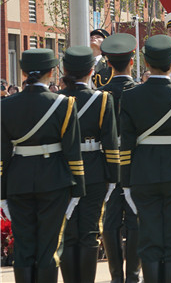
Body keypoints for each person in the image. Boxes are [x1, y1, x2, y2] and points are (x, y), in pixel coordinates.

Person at [118, 35, 171, 282]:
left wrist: (126, 183)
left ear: (146, 63)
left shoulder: (130, 96)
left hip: (143, 175)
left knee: (149, 240)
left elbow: (127, 146)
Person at [0, 48, 86, 283]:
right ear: (51, 71)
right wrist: (78, 190)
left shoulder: (5, 105)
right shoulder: (65, 104)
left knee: (24, 248)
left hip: (19, 179)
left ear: (23, 71)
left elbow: (2, 154)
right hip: (54, 180)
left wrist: (2, 193)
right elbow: (73, 152)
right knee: (49, 247)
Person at [57, 46, 119, 283]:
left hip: (62, 170)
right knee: (90, 232)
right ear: (92, 71)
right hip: (93, 170)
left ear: (64, 70)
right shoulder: (102, 99)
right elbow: (110, 144)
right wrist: (113, 177)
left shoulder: (57, 101)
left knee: (68, 232)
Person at [100, 33, 141, 283]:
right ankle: (133, 275)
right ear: (132, 62)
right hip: (135, 161)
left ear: (109, 64)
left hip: (108, 162)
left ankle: (116, 277)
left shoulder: (99, 94)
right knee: (135, 220)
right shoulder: (140, 92)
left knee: (110, 220)